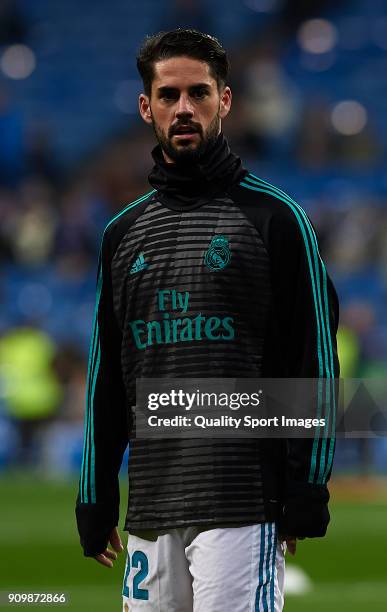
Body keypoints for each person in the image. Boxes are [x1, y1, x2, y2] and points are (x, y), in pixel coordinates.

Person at [75, 28, 340, 612]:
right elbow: (107, 377)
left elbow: (314, 359)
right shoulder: (120, 234)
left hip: (244, 501)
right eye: (169, 96)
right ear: (147, 107)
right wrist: (95, 494)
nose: (184, 108)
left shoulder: (278, 218)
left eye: (199, 92)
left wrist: (306, 485)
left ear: (225, 100)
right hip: (150, 505)